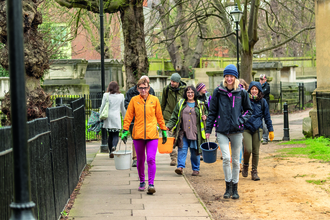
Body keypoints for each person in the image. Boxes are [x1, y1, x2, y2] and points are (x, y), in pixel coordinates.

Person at [205, 64, 252, 200]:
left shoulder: (242, 93)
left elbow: (249, 110)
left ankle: (235, 187)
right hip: (222, 130)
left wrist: (241, 120)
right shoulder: (218, 92)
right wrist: (208, 129)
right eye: (227, 76)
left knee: (236, 161)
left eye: (231, 76)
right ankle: (228, 187)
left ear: (235, 77)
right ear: (224, 77)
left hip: (237, 131)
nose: (229, 78)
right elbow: (212, 112)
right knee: (226, 158)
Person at [121, 78, 167, 195]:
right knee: (140, 160)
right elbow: (128, 116)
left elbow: (160, 116)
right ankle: (142, 181)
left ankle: (151, 184)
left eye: (145, 87)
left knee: (151, 159)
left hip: (152, 134)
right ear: (137, 89)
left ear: (149, 88)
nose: (143, 90)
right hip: (138, 135)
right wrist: (125, 130)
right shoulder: (134, 100)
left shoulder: (155, 100)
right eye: (141, 88)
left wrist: (164, 130)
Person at [166, 86, 207, 176]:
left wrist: (205, 117)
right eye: (188, 92)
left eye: (192, 92)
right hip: (183, 132)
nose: (190, 94)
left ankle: (196, 169)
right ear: (185, 93)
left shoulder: (200, 104)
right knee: (182, 149)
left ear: (195, 93)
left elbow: (206, 115)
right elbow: (174, 116)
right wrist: (168, 126)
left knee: (194, 152)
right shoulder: (181, 103)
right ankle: (180, 167)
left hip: (195, 133)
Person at [242, 81, 274, 181]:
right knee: (248, 149)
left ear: (259, 91)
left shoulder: (263, 102)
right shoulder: (245, 100)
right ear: (249, 90)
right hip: (246, 128)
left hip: (258, 128)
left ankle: (254, 171)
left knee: (256, 151)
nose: (254, 91)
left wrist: (270, 130)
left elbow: (267, 117)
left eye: (256, 89)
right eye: (252, 89)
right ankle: (245, 164)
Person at [125, 75, 155, 167]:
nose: (144, 89)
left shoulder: (151, 91)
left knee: (148, 140)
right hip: (135, 120)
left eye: (147, 85)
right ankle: (135, 158)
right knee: (136, 139)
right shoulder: (131, 91)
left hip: (148, 121)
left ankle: (147, 157)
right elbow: (126, 103)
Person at [161, 73, 187, 166]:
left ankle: (181, 158)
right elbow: (163, 104)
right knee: (170, 138)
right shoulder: (166, 89)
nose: (172, 83)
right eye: (171, 81)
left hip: (181, 118)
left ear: (178, 82)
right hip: (168, 117)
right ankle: (173, 158)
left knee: (181, 139)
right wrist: (161, 117)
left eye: (174, 82)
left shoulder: (185, 90)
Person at [99, 81, 126, 158]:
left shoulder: (106, 95)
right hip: (116, 117)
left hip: (108, 117)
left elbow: (102, 106)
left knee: (110, 135)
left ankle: (111, 151)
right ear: (117, 87)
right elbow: (123, 108)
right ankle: (114, 146)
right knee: (116, 134)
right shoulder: (121, 96)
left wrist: (100, 115)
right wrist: (125, 118)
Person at [238, 78, 249, 172]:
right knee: (239, 145)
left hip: (246, 125)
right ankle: (239, 164)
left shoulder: (247, 97)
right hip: (238, 125)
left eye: (243, 86)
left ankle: (244, 162)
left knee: (246, 147)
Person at [259, 74, 270, 145]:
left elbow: (261, 93)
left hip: (265, 107)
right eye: (260, 79)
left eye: (262, 79)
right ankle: (260, 138)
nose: (261, 81)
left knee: (264, 123)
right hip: (259, 106)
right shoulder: (258, 86)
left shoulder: (267, 86)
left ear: (265, 80)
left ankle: (265, 138)